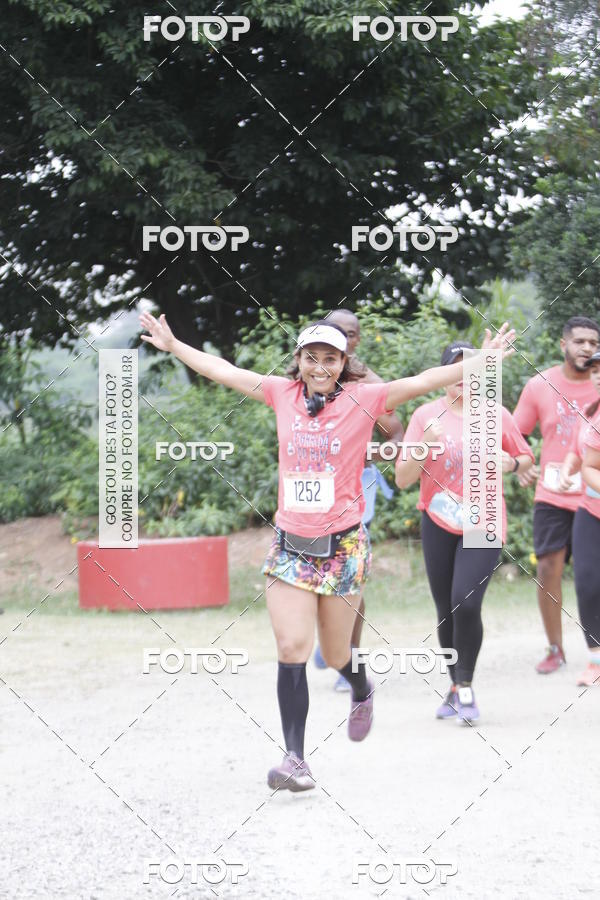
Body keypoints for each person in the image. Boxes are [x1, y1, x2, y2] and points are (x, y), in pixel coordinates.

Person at [140, 311, 514, 790]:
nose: (320, 366)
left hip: (344, 546)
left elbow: (424, 380)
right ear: (298, 361)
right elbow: (226, 371)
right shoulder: (282, 393)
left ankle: (360, 687)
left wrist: (482, 361)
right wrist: (174, 346)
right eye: (311, 357)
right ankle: (295, 758)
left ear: (344, 362)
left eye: (331, 358)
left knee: (339, 654)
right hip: (292, 544)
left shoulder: (365, 398)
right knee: (293, 647)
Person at [395, 341, 534, 723]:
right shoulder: (425, 415)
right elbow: (403, 479)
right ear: (445, 378)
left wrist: (512, 464)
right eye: (456, 372)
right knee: (446, 610)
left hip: (484, 518)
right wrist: (423, 446)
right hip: (437, 519)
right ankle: (455, 685)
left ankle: (467, 688)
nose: (464, 380)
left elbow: (525, 458)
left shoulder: (498, 415)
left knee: (466, 602)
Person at [312, 309, 404, 691]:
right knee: (315, 569)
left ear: (357, 341)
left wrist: (368, 456)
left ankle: (349, 656)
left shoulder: (366, 381)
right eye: (337, 333)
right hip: (311, 485)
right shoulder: (310, 371)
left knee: (350, 575)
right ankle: (327, 636)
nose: (344, 340)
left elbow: (395, 433)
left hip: (355, 484)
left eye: (351, 334)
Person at [513, 316, 600, 674]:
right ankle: (555, 648)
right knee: (548, 566)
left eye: (593, 344)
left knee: (590, 574)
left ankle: (594, 650)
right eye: (579, 342)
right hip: (554, 492)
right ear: (563, 345)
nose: (587, 349)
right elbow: (515, 433)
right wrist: (520, 464)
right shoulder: (540, 385)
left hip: (593, 496)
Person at [559, 349, 600, 686]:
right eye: (595, 369)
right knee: (587, 584)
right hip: (591, 512)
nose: (597, 374)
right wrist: (569, 467)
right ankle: (595, 659)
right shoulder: (592, 412)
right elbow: (584, 459)